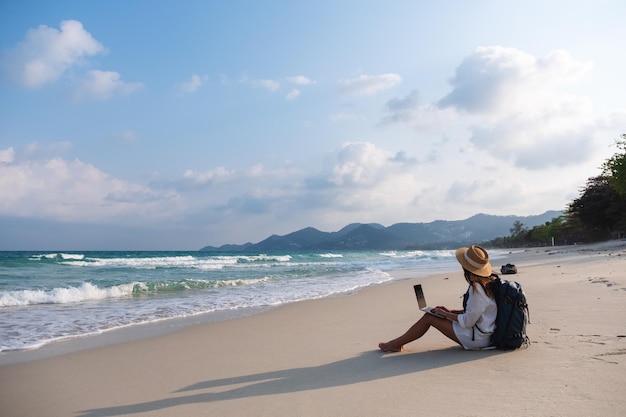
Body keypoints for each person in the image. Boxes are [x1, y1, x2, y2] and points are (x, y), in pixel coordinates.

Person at [378, 245, 497, 352]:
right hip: (485, 334)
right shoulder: (489, 283)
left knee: (429, 317)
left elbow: (467, 321)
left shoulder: (477, 289)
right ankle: (396, 344)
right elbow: (478, 312)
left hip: (477, 339)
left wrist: (445, 314)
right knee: (434, 314)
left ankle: (395, 344)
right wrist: (449, 312)